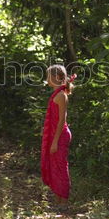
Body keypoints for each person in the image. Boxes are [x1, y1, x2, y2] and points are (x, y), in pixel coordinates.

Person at [41, 65, 76, 209]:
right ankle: (58, 201)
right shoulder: (57, 93)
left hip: (60, 135)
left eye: (48, 76)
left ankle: (64, 202)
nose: (47, 80)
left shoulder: (62, 95)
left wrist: (55, 142)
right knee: (55, 166)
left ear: (56, 77)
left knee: (61, 166)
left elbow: (62, 120)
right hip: (55, 135)